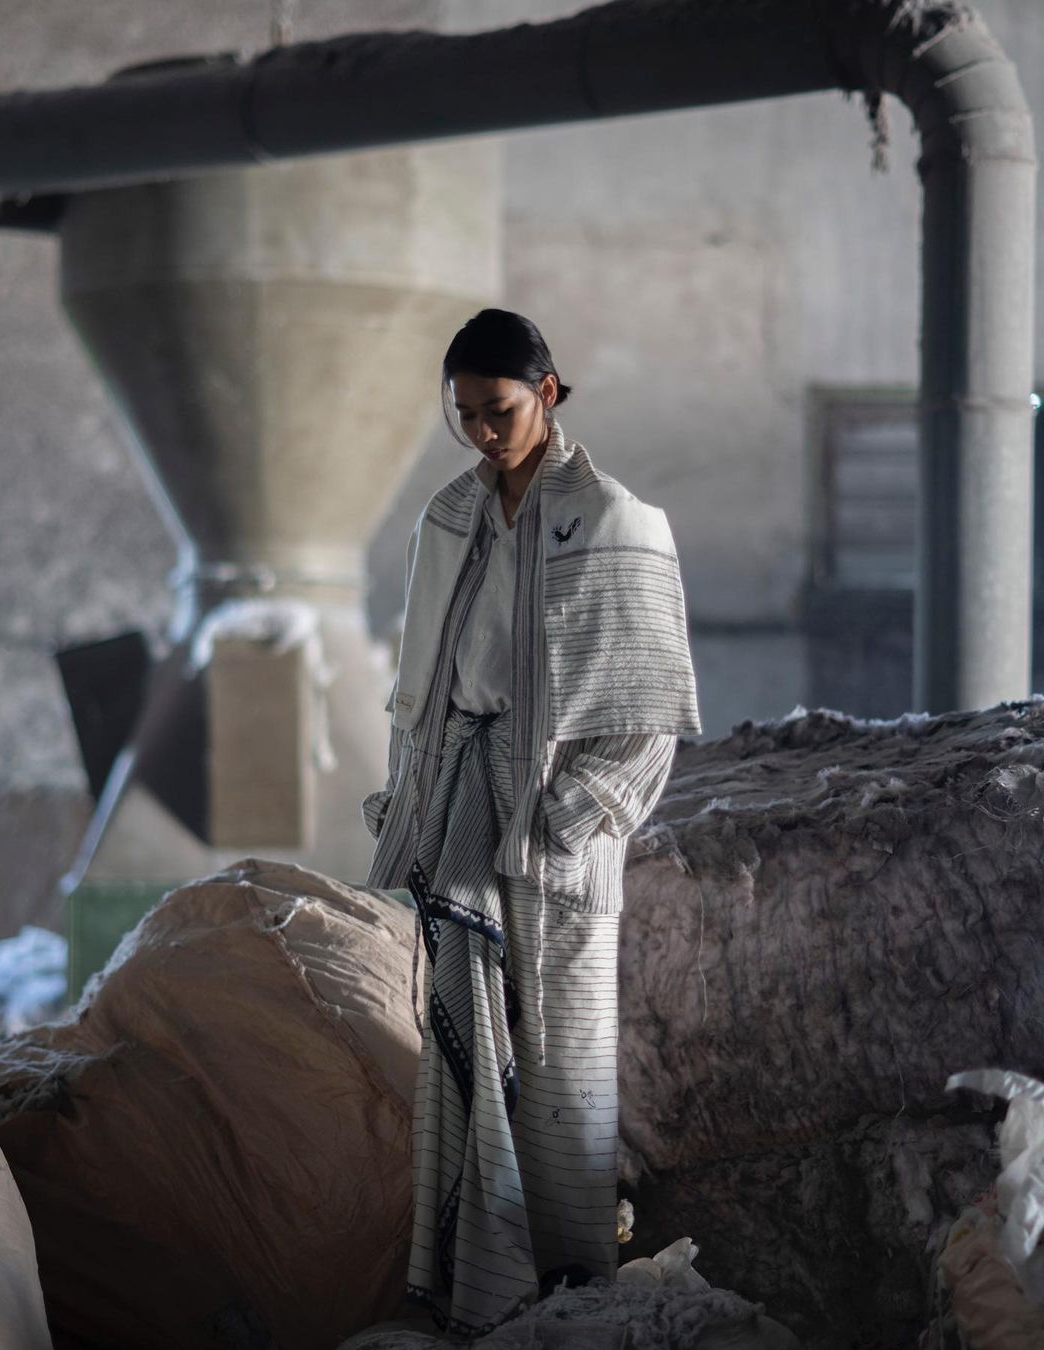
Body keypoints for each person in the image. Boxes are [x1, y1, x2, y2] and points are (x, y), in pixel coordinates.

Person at [361, 308, 700, 1337]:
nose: (480, 432)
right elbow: (418, 692)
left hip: (555, 826)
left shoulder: (614, 521)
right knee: (456, 1030)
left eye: (498, 410)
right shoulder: (447, 517)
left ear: (547, 392)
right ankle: (471, 1285)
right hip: (461, 800)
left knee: (561, 1059)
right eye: (464, 414)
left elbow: (650, 715)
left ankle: (567, 1290)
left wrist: (565, 820)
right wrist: (409, 800)